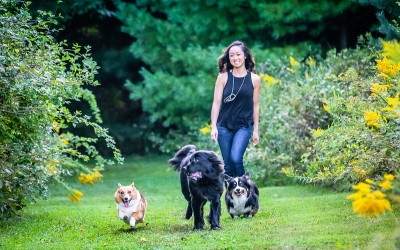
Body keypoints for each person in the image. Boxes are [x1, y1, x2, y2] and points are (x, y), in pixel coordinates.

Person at [210, 40, 261, 178]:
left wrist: (256, 130)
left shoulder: (255, 79)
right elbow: (216, 103)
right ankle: (232, 197)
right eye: (232, 55)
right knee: (227, 165)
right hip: (224, 127)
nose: (235, 58)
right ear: (229, 58)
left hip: (243, 126)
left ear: (245, 56)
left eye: (238, 54)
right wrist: (214, 126)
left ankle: (245, 190)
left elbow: (255, 105)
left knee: (235, 159)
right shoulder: (223, 77)